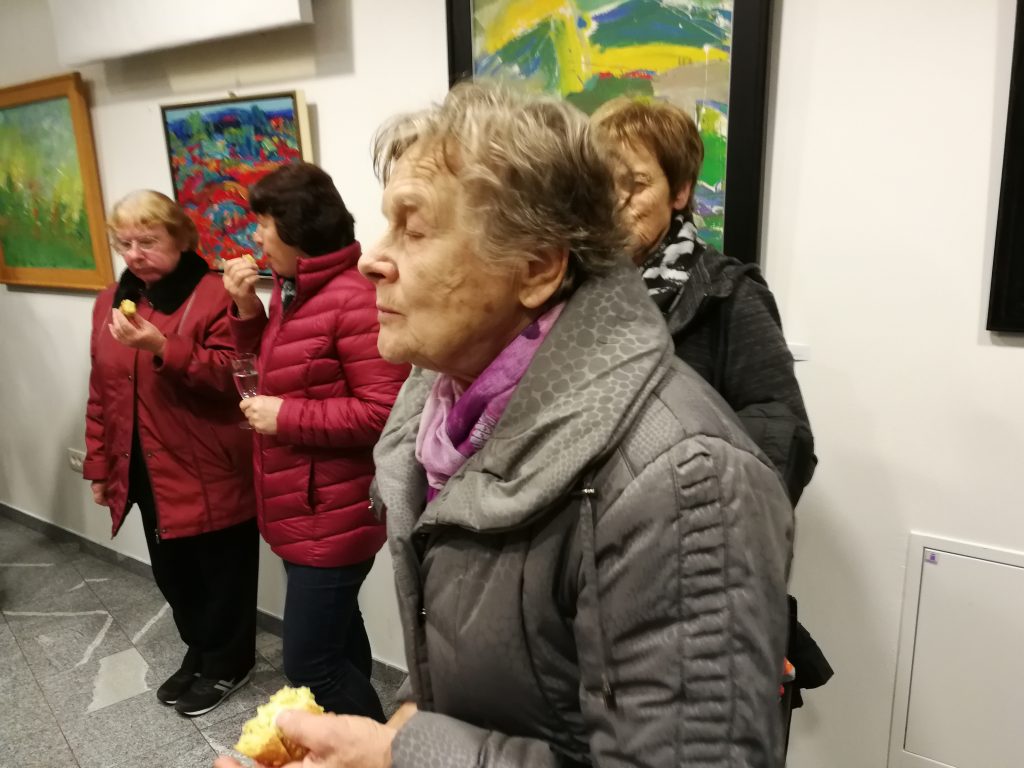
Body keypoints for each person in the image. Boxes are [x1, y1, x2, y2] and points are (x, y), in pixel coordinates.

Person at [216, 83, 793, 768]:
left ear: (537, 268)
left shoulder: (684, 482)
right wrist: (398, 732)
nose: (371, 257)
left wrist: (403, 755)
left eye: (414, 229)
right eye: (386, 224)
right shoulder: (442, 415)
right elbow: (480, 666)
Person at [222, 162, 409, 722]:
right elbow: (282, 369)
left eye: (264, 224)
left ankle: (381, 753)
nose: (256, 236)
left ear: (298, 228)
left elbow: (386, 412)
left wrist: (287, 417)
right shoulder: (295, 291)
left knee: (310, 663)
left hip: (333, 512)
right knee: (339, 642)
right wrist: (248, 313)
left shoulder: (353, 298)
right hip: (303, 506)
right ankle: (354, 743)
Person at [591, 97, 816, 504]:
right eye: (601, 183)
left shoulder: (729, 293)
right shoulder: (577, 287)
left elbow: (785, 434)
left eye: (636, 185)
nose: (614, 203)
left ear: (680, 192)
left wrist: (701, 504)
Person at [84, 190, 258, 717]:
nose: (134, 254)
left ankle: (229, 662)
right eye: (124, 243)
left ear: (181, 238)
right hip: (143, 467)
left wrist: (162, 346)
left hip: (209, 466)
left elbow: (236, 376)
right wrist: (100, 465)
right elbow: (101, 390)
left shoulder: (216, 294)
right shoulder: (111, 300)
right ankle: (200, 651)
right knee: (174, 574)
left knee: (221, 577)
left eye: (147, 240)